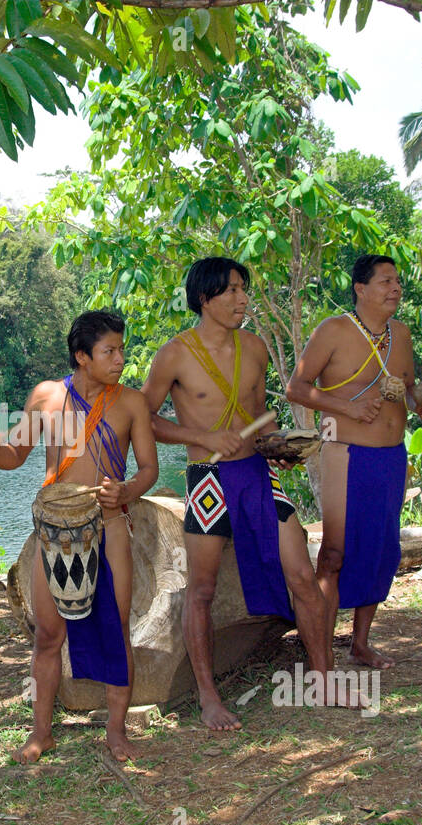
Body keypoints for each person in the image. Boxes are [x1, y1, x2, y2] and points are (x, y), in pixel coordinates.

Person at [143, 257, 343, 731]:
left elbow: (261, 417)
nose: (242, 299)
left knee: (302, 574)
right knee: (203, 590)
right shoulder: (173, 354)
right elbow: (144, 418)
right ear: (205, 298)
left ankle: (324, 679)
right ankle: (209, 699)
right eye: (232, 291)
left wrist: (279, 446)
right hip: (207, 478)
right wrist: (205, 437)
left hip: (257, 474)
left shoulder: (254, 347)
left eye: (244, 289)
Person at [0, 311, 158, 762]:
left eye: (121, 349)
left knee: (115, 630)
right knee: (47, 635)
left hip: (109, 525)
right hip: (54, 532)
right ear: (82, 356)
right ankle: (41, 732)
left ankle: (116, 732)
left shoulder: (132, 403)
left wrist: (127, 490)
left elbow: (149, 470)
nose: (119, 358)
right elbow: (15, 456)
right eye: (109, 351)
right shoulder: (46, 397)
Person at [286, 254, 422, 670]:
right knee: (335, 554)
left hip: (391, 457)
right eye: (386, 281)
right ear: (361, 289)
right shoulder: (333, 330)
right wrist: (347, 408)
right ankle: (321, 653)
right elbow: (296, 389)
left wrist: (419, 405)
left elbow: (406, 388)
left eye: (398, 282)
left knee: (382, 550)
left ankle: (361, 644)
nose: (395, 289)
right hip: (344, 454)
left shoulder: (401, 335)